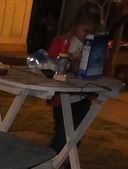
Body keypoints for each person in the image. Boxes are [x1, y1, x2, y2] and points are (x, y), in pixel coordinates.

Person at [46, 2, 103, 158]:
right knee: (62, 135)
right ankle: (49, 162)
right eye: (85, 31)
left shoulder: (95, 47)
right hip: (63, 97)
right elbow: (51, 65)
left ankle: (64, 165)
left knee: (75, 136)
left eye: (92, 32)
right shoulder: (64, 43)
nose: (88, 35)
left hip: (82, 97)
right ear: (76, 25)